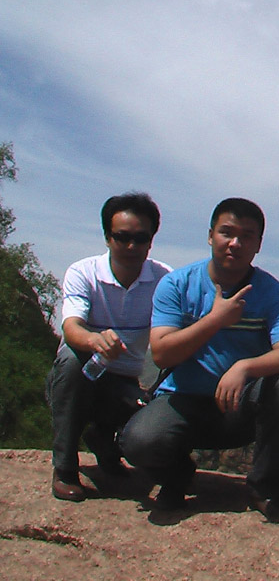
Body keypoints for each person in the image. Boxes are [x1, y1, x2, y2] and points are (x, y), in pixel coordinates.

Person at [120, 198, 279, 523]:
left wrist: (244, 367)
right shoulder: (177, 284)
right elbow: (161, 353)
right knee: (138, 441)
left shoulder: (273, 293)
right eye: (227, 232)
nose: (235, 243)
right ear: (210, 235)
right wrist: (215, 320)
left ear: (258, 244)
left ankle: (266, 490)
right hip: (183, 401)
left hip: (240, 406)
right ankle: (176, 476)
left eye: (246, 236)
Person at [45, 192, 170, 502]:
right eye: (122, 237)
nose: (131, 246)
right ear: (107, 237)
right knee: (72, 363)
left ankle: (104, 442)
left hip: (124, 382)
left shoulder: (163, 279)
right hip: (81, 376)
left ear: (151, 241)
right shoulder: (84, 273)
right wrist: (94, 340)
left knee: (149, 418)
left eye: (140, 238)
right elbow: (72, 327)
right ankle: (65, 468)